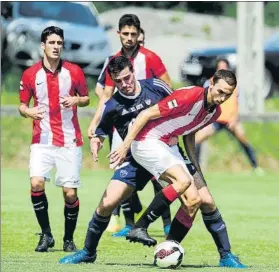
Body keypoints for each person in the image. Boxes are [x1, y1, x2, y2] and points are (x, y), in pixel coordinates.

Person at [59, 56, 198, 265]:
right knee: (106, 204)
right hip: (136, 158)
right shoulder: (113, 105)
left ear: (133, 71)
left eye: (127, 78)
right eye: (119, 81)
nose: (125, 84)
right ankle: (88, 252)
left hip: (165, 153)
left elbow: (179, 106)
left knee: (194, 200)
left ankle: (173, 247)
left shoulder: (156, 86)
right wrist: (96, 141)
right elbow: (101, 131)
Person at [109, 69, 247, 268]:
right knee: (183, 182)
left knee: (199, 200)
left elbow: (189, 134)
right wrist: (124, 146)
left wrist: (196, 169)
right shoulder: (191, 95)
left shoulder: (214, 111)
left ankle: (222, 256)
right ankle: (140, 226)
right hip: (148, 140)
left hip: (170, 145)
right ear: (211, 83)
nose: (222, 97)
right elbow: (146, 113)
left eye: (228, 94)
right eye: (220, 91)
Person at [90, 14, 172, 237]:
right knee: (123, 174)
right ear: (118, 34)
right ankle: (129, 223)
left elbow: (168, 87)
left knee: (160, 176)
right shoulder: (113, 61)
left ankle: (167, 224)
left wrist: (169, 124)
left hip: (153, 128)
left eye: (133, 34)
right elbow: (106, 95)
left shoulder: (151, 58)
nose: (128, 38)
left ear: (139, 35)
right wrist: (95, 124)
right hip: (122, 127)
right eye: (125, 34)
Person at [18, 26, 90, 252]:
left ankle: (68, 240)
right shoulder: (30, 74)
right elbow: (22, 105)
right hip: (42, 140)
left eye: (59, 43)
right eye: (52, 43)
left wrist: (76, 101)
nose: (56, 47)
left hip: (69, 140)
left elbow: (87, 98)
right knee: (36, 182)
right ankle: (46, 235)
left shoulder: (74, 71)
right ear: (43, 46)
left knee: (70, 193)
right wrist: (28, 112)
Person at [195, 58, 262, 173]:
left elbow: (240, 103)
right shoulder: (210, 82)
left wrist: (235, 119)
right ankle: (195, 167)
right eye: (220, 67)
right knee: (198, 138)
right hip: (215, 120)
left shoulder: (235, 84)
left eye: (224, 67)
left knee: (243, 139)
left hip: (231, 119)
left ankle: (256, 167)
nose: (222, 69)